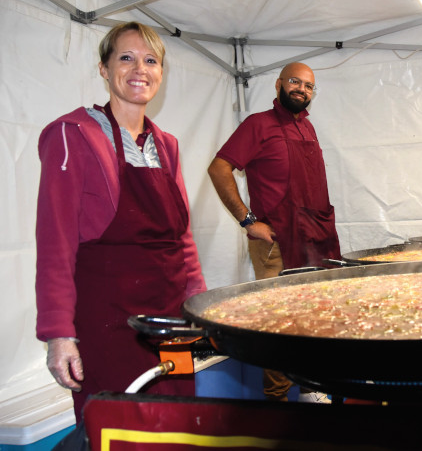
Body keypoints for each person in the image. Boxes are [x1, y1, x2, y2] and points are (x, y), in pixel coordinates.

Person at [35, 22, 206, 422]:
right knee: (118, 425)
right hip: (107, 318)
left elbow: (183, 238)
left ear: (161, 73)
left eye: (150, 61)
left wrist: (198, 308)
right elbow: (55, 242)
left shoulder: (167, 144)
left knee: (176, 421)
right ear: (103, 68)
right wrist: (59, 335)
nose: (139, 70)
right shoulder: (71, 134)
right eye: (125, 58)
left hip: (170, 319)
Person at [207, 62, 341, 403]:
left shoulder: (308, 129)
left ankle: (312, 389)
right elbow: (219, 168)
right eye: (295, 82)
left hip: (316, 237)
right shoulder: (258, 125)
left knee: (315, 314)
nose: (302, 89)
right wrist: (248, 221)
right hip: (277, 243)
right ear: (279, 84)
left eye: (309, 86)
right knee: (280, 321)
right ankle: (278, 402)